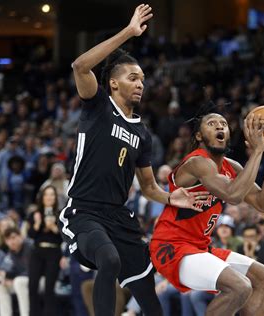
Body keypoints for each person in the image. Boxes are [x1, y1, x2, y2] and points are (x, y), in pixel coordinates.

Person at [58, 5, 203, 316]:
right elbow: (80, 65)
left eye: (143, 80)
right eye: (133, 78)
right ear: (113, 83)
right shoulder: (98, 105)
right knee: (108, 260)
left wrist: (170, 197)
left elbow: (148, 186)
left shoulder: (143, 133)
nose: (141, 84)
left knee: (148, 296)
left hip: (119, 218)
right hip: (84, 210)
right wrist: (128, 32)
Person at [150, 110, 264, 316]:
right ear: (199, 136)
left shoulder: (232, 167)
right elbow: (233, 195)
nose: (220, 126)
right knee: (240, 287)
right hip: (172, 246)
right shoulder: (196, 162)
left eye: (224, 123)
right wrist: (256, 152)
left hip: (200, 248)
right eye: (212, 123)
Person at [27, 185, 63, 316]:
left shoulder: (61, 214)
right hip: (37, 251)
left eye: (52, 194)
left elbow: (65, 237)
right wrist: (37, 224)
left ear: (55, 198)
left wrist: (53, 227)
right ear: (42, 197)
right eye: (46, 194)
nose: (49, 197)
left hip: (53, 252)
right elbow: (30, 234)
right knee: (32, 286)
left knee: (49, 288)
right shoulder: (35, 214)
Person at [0, 227, 31, 316]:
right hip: (25, 281)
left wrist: (13, 280)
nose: (11, 241)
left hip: (42, 279)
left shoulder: (30, 247)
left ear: (21, 237)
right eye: (8, 239)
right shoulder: (12, 252)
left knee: (19, 282)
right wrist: (3, 275)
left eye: (13, 237)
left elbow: (32, 271)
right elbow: (16, 270)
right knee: (1, 286)